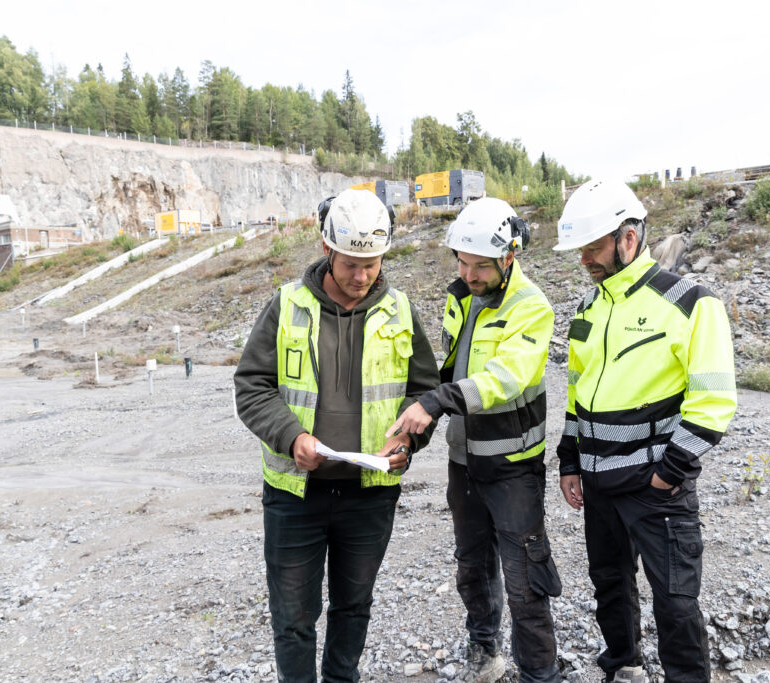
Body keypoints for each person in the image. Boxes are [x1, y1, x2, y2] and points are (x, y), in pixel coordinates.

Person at [234, 188, 441, 683]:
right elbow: (252, 386)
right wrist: (290, 436)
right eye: (350, 263)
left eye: (372, 263)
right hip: (294, 496)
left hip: (368, 497)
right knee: (293, 617)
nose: (361, 276)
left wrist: (407, 444)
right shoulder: (286, 307)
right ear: (327, 249)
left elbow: (425, 393)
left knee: (353, 606)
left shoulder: (400, 311)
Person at [553, 180, 737, 683]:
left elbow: (714, 399)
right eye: (581, 250)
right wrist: (569, 460)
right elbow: (576, 393)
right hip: (598, 485)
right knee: (610, 586)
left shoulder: (692, 303)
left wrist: (670, 472)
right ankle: (623, 667)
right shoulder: (587, 311)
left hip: (656, 489)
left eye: (593, 247)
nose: (585, 260)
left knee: (676, 603)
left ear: (628, 237)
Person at [387, 198, 562, 683]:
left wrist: (439, 402)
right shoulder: (460, 296)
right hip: (463, 462)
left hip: (512, 467)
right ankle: (484, 649)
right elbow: (448, 368)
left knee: (526, 577)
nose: (468, 273)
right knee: (472, 566)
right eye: (461, 261)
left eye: (480, 265)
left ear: (509, 256)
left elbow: (505, 378)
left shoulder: (531, 307)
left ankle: (539, 672)